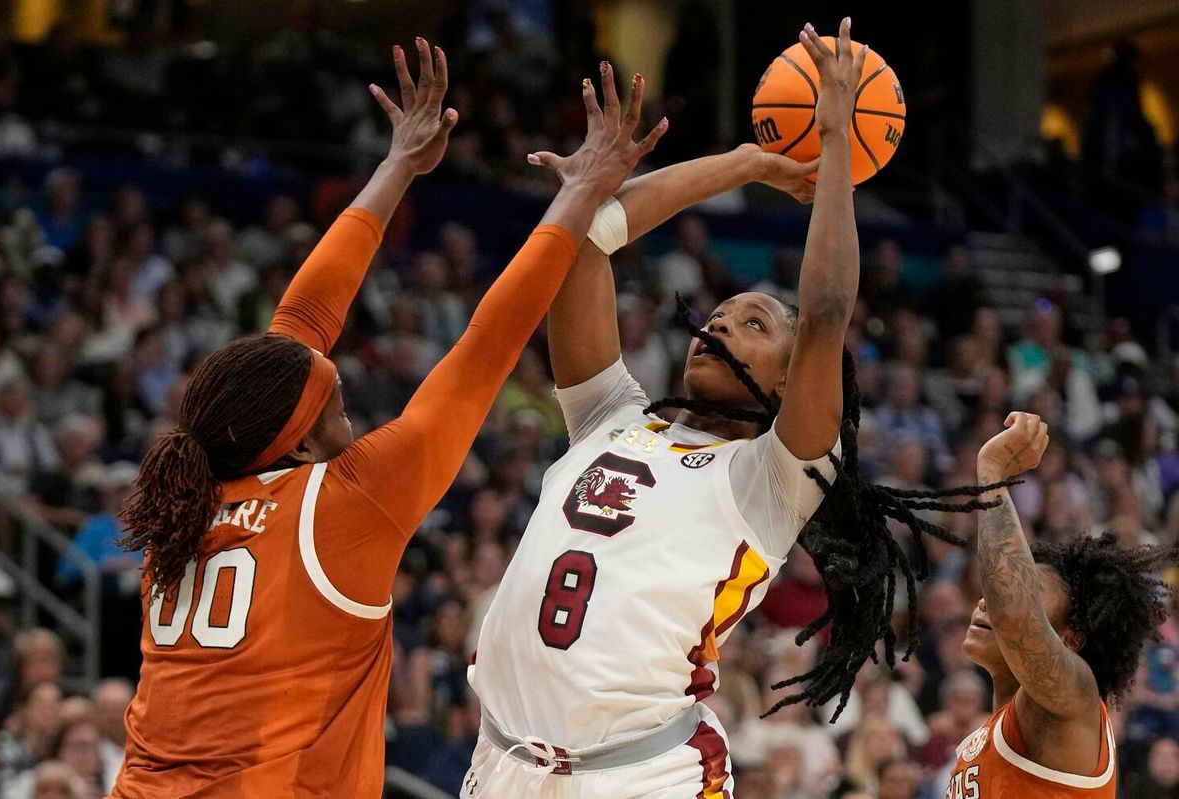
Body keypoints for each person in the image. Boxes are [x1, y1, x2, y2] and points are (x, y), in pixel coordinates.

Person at [110, 39, 666, 797]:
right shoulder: (343, 503)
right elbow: (485, 346)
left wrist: (398, 163)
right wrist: (579, 195)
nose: (348, 400)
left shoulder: (187, 501)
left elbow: (301, 323)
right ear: (297, 443)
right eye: (336, 402)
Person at [465, 20, 1002, 797]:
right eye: (717, 316)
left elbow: (825, 312)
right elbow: (582, 246)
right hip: (501, 761)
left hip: (640, 776)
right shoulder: (611, 415)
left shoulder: (772, 478)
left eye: (754, 324)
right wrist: (745, 163)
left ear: (789, 380)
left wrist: (837, 145)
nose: (718, 324)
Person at [948, 410, 1176, 796]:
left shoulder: (1073, 698)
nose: (989, 600)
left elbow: (1015, 615)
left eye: (1031, 593)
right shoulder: (1003, 726)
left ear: (1070, 639)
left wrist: (993, 471)